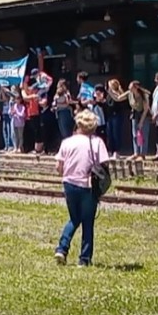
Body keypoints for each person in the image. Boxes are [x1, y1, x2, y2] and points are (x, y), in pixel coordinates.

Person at [52, 110, 111, 267]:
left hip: (69, 184)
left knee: (74, 218)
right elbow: (105, 163)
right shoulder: (97, 142)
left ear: (78, 124)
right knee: (87, 222)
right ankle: (84, 259)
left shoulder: (67, 142)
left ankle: (62, 248)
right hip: (88, 185)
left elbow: (59, 167)